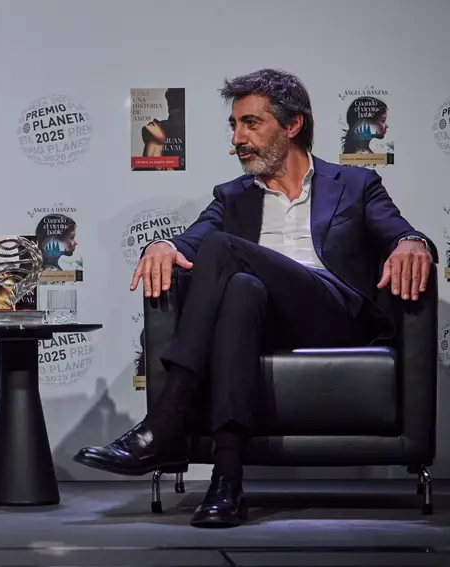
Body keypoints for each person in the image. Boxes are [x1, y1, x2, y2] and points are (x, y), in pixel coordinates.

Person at [74, 69, 435, 528]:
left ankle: (165, 423)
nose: (237, 139)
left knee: (224, 250)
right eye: (234, 125)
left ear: (292, 126)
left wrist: (412, 241)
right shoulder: (232, 197)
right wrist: (161, 246)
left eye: (250, 123)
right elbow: (192, 241)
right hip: (265, 317)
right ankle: (226, 482)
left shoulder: (356, 185)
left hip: (335, 314)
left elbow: (398, 230)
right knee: (241, 288)